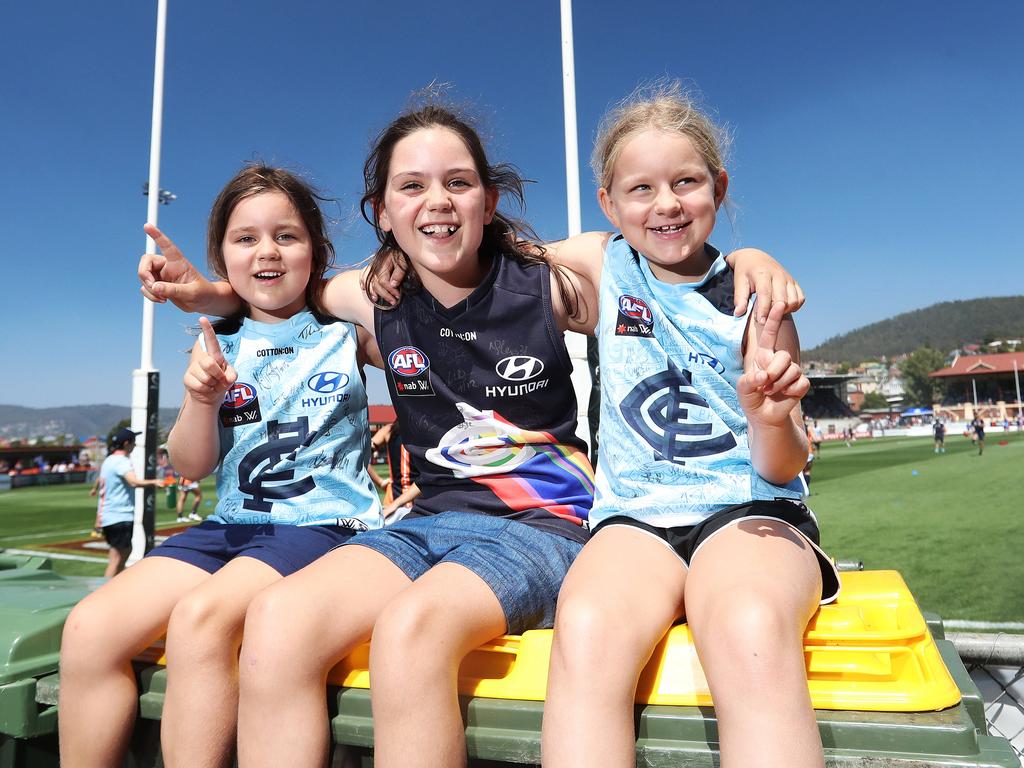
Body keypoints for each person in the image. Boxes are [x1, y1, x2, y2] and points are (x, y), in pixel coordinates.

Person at [139, 101, 802, 768]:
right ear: (382, 212)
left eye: (458, 183)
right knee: (278, 623)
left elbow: (668, 265)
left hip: (542, 523)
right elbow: (285, 289)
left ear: (488, 201)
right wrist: (205, 294)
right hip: (427, 521)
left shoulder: (551, 280)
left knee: (410, 631)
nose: (438, 201)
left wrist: (750, 254)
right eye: (412, 185)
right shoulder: (369, 296)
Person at [538, 83, 840, 768]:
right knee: (585, 628)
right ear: (609, 205)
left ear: (719, 188)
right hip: (633, 517)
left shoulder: (757, 301)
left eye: (686, 182)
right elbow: (484, 260)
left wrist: (770, 419)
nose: (666, 203)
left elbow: (783, 466)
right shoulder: (601, 260)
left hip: (747, 508)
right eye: (640, 188)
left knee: (748, 624)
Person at [59, 165, 383, 768]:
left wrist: (232, 289)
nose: (267, 251)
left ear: (316, 249)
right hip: (231, 527)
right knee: (89, 628)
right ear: (222, 255)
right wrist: (202, 400)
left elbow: (389, 308)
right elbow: (190, 463)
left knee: (201, 622)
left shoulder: (346, 335)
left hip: (323, 526)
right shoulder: (217, 342)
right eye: (246, 238)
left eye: (287, 236)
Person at [89, 428, 163, 577]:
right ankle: (104, 591)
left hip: (110, 516)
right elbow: (133, 482)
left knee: (121, 553)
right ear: (126, 443)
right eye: (133, 442)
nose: (135, 445)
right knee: (117, 558)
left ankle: (111, 585)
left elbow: (100, 481)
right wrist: (155, 482)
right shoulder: (121, 462)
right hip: (119, 516)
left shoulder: (109, 460)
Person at [369, 419, 420, 522]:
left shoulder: (389, 430)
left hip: (392, 505)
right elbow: (428, 478)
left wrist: (381, 482)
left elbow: (360, 457)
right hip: (418, 506)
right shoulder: (423, 431)